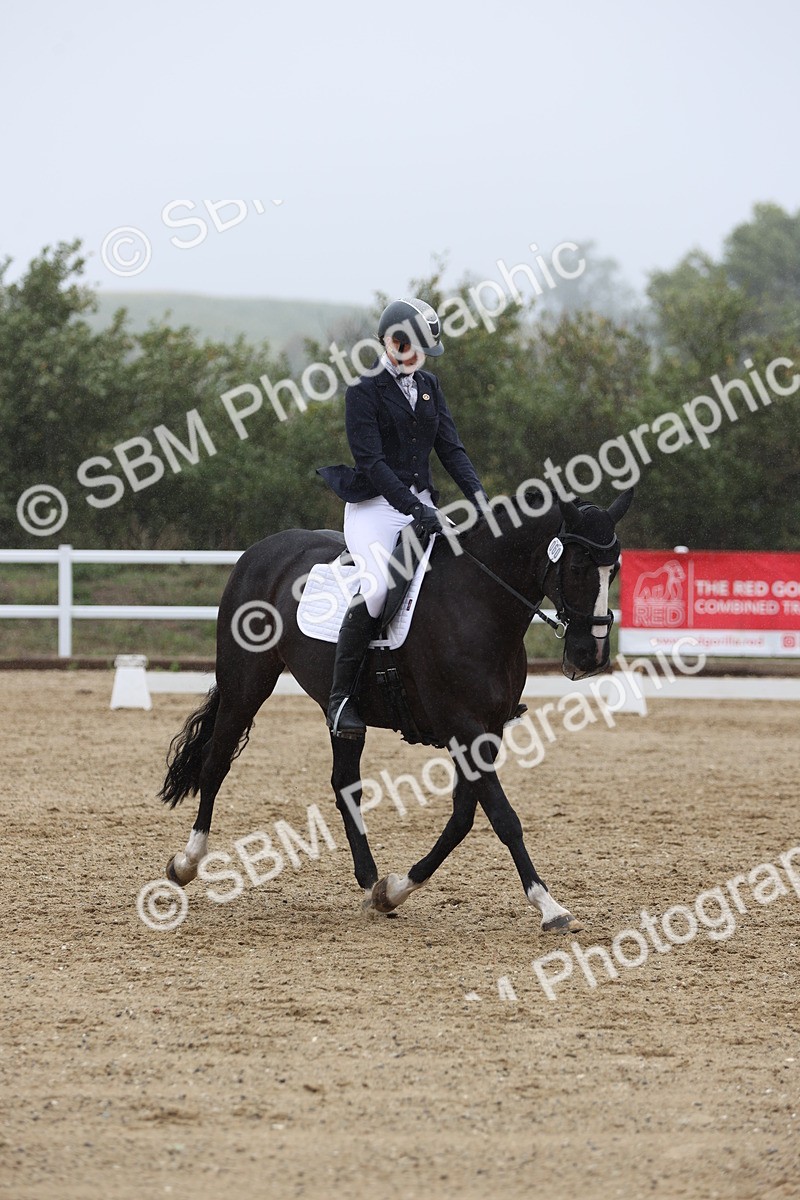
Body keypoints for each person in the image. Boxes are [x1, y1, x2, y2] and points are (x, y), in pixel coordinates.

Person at [317, 297, 486, 738]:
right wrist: (415, 509)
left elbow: (451, 449)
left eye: (422, 349)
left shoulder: (429, 385)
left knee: (460, 576)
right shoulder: (363, 390)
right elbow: (372, 463)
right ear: (389, 341)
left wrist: (479, 498)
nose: (416, 356)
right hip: (375, 508)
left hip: (422, 505)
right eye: (409, 346)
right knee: (376, 592)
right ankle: (341, 698)